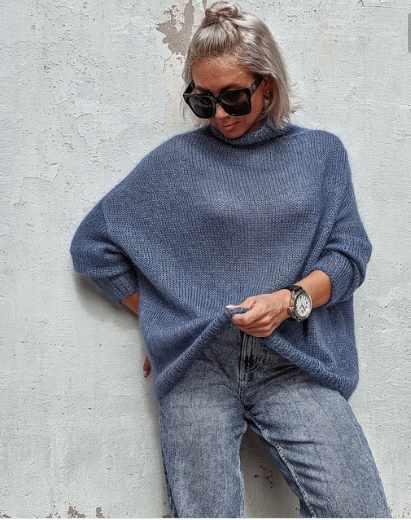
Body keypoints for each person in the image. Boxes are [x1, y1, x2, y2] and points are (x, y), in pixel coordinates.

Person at [69, 1, 392, 517]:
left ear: (268, 86)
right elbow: (93, 246)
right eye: (202, 100)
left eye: (234, 97)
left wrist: (288, 301)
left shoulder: (321, 155)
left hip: (294, 361)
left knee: (360, 510)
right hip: (200, 363)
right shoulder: (178, 161)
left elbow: (349, 256)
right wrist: (161, 320)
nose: (219, 114)